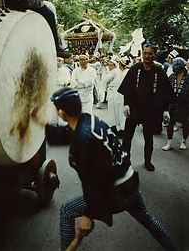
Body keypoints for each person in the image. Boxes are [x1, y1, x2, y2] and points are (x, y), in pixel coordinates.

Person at [50, 87, 182, 251]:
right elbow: (66, 133)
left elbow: (97, 182)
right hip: (130, 182)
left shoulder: (83, 141)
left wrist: (89, 214)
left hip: (115, 191)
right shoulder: (90, 120)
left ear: (62, 113)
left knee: (66, 210)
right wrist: (41, 124)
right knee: (147, 220)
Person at [118, 42, 174, 171]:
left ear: (154, 55)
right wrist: (126, 104)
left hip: (151, 110)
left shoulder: (159, 70)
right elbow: (128, 88)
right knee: (127, 138)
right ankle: (125, 161)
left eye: (150, 54)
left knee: (148, 138)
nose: (147, 56)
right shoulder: (135, 68)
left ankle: (147, 161)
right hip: (134, 108)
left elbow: (165, 91)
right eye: (145, 53)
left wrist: (166, 110)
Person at [162, 57, 189, 151]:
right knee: (171, 122)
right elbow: (166, 89)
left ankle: (183, 141)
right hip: (173, 103)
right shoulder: (172, 76)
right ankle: (169, 142)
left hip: (185, 104)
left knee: (185, 123)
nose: (172, 66)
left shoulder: (188, 76)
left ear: (179, 66)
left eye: (174, 64)